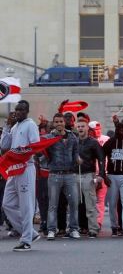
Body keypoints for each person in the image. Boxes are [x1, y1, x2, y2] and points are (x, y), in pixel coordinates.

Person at [0, 100, 41, 251]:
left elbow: (35, 146)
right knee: (7, 204)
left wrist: (20, 153)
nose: (17, 112)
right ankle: (30, 233)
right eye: (16, 109)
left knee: (26, 205)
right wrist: (7, 127)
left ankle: (26, 241)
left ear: (27, 111)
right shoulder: (15, 126)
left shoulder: (30, 125)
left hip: (26, 167)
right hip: (13, 168)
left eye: (21, 110)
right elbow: (4, 146)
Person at [45, 113, 81, 240]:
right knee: (53, 204)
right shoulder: (49, 138)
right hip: (54, 174)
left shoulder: (72, 136)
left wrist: (77, 159)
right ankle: (51, 230)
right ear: (53, 123)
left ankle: (74, 229)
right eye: (56, 122)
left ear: (64, 122)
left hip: (70, 174)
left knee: (73, 203)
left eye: (61, 121)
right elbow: (42, 152)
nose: (59, 123)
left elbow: (76, 152)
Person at [75, 119, 106, 238]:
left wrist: (101, 175)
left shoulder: (93, 142)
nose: (81, 128)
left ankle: (93, 228)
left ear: (88, 128)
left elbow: (101, 158)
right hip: (75, 175)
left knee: (90, 203)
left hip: (89, 175)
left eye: (83, 126)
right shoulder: (74, 142)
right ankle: (75, 227)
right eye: (79, 126)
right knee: (75, 203)